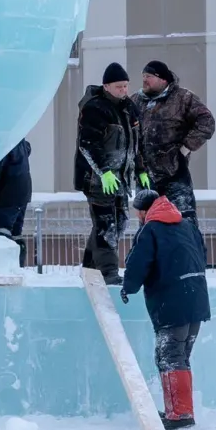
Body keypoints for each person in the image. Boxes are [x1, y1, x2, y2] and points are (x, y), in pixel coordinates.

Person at [120, 188, 210, 430]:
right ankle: (180, 411)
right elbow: (202, 255)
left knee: (169, 357)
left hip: (172, 303)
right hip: (197, 299)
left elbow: (139, 262)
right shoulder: (188, 226)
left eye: (137, 212)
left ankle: (180, 415)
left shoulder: (151, 229)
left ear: (143, 211)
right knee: (180, 357)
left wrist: (128, 287)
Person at [76, 62, 139, 284]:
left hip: (120, 178)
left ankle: (90, 269)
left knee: (119, 223)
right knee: (106, 225)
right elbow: (88, 144)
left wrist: (140, 170)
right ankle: (108, 272)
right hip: (97, 179)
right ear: (106, 86)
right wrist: (103, 171)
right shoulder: (95, 108)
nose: (124, 90)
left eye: (126, 86)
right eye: (119, 86)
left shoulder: (129, 108)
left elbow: (135, 143)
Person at [134, 60, 215, 221]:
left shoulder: (183, 98)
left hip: (175, 174)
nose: (144, 80)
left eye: (149, 76)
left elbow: (206, 123)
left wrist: (185, 148)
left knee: (183, 221)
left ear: (163, 79)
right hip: (145, 177)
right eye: (143, 76)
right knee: (149, 224)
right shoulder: (136, 101)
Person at [0, 138, 32, 264]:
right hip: (24, 192)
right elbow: (28, 148)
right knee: (16, 231)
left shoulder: (0, 145)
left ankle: (4, 266)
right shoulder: (18, 140)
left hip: (10, 194)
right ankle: (18, 266)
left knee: (1, 229)